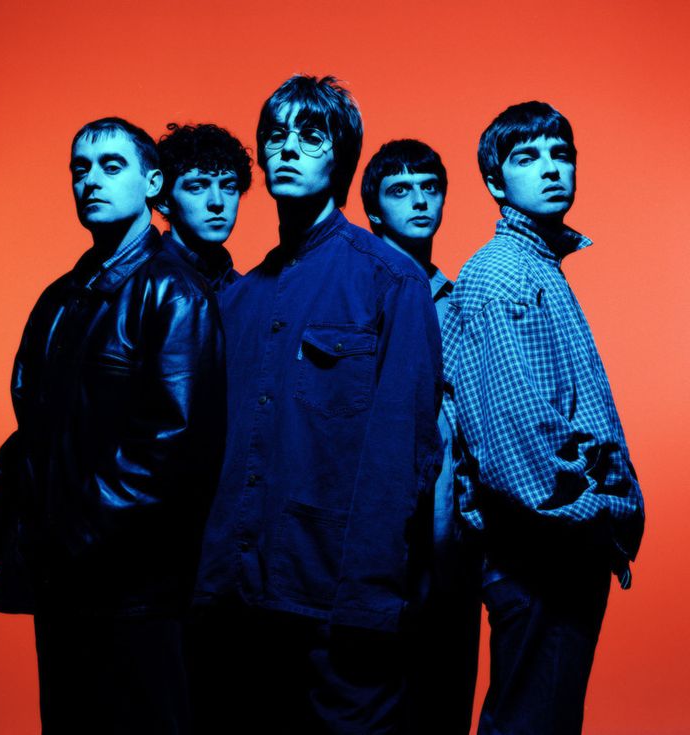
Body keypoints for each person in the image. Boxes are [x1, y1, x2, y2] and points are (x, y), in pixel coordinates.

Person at [191, 75, 443, 734]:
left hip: (340, 606)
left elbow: (402, 455)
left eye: (310, 135)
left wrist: (364, 602)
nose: (287, 149)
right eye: (274, 136)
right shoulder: (236, 300)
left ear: (342, 154)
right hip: (237, 603)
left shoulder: (390, 282)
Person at [0, 117, 225, 735]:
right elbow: (34, 425)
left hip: (132, 589)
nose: (91, 181)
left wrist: (74, 535)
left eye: (112, 167)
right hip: (65, 581)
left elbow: (173, 449)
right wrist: (10, 516)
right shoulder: (62, 294)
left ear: (152, 182)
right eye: (80, 169)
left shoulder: (174, 292)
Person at [441, 101, 645, 735]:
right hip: (540, 553)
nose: (551, 168)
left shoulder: (537, 269)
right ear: (497, 183)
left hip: (555, 550)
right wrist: (601, 515)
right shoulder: (503, 276)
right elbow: (514, 439)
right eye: (527, 157)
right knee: (531, 723)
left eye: (561, 153)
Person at [361, 138, 480, 735]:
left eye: (430, 188)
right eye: (400, 190)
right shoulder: (354, 292)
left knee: (445, 698)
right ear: (374, 209)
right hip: (372, 543)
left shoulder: (459, 301)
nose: (419, 202)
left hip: (452, 541)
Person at [156, 122, 252, 290]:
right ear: (164, 201)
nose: (217, 202)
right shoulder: (144, 284)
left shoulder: (245, 291)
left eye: (228, 187)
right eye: (197, 187)